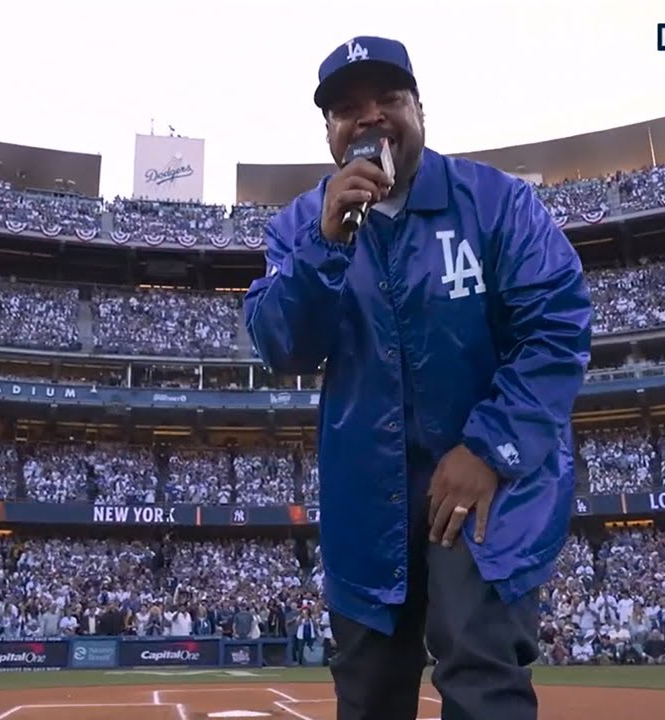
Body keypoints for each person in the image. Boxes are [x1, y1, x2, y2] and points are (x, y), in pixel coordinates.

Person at [244, 35, 591, 720]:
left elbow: (556, 327)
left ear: (420, 111)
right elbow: (282, 344)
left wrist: (489, 449)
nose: (369, 118)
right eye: (347, 108)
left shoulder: (497, 203)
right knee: (369, 692)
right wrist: (327, 243)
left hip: (490, 487)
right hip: (366, 500)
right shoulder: (297, 227)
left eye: (388, 100)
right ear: (329, 132)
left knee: (480, 669)